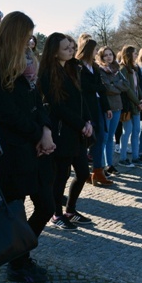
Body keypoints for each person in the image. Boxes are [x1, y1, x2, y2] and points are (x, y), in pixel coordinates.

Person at [0, 11, 54, 283]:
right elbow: (7, 114)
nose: (30, 41)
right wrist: (39, 135)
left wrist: (46, 130)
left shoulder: (26, 64)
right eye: (26, 35)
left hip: (35, 149)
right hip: (14, 152)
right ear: (14, 34)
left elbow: (39, 103)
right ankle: (18, 263)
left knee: (47, 206)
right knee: (17, 212)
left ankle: (21, 256)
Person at [39, 33, 94, 229]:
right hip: (62, 131)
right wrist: (81, 124)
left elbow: (81, 98)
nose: (72, 50)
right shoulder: (47, 72)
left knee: (82, 172)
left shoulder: (72, 68)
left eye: (72, 47)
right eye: (66, 48)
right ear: (54, 52)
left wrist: (88, 121)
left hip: (78, 131)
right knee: (61, 175)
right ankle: (57, 214)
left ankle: (71, 210)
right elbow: (57, 105)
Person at [77, 37, 114, 184]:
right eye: (94, 49)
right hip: (86, 107)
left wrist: (107, 107)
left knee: (101, 137)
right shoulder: (78, 66)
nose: (96, 52)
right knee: (87, 140)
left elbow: (100, 89)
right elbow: (86, 87)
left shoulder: (95, 66)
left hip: (98, 105)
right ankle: (85, 172)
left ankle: (98, 171)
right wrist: (99, 87)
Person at [96, 46, 126, 175]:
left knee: (111, 138)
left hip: (117, 106)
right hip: (106, 107)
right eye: (105, 55)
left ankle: (110, 164)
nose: (109, 57)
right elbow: (106, 88)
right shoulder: (100, 70)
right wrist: (116, 86)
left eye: (110, 54)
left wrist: (115, 86)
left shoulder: (117, 70)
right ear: (101, 57)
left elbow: (125, 85)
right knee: (104, 137)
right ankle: (101, 165)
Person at [118, 45, 142, 167]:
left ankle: (136, 157)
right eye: (135, 53)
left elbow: (137, 87)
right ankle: (123, 158)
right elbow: (127, 89)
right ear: (128, 54)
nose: (137, 55)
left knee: (137, 130)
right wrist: (137, 101)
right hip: (128, 106)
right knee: (127, 131)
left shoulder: (134, 68)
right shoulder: (122, 69)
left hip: (136, 105)